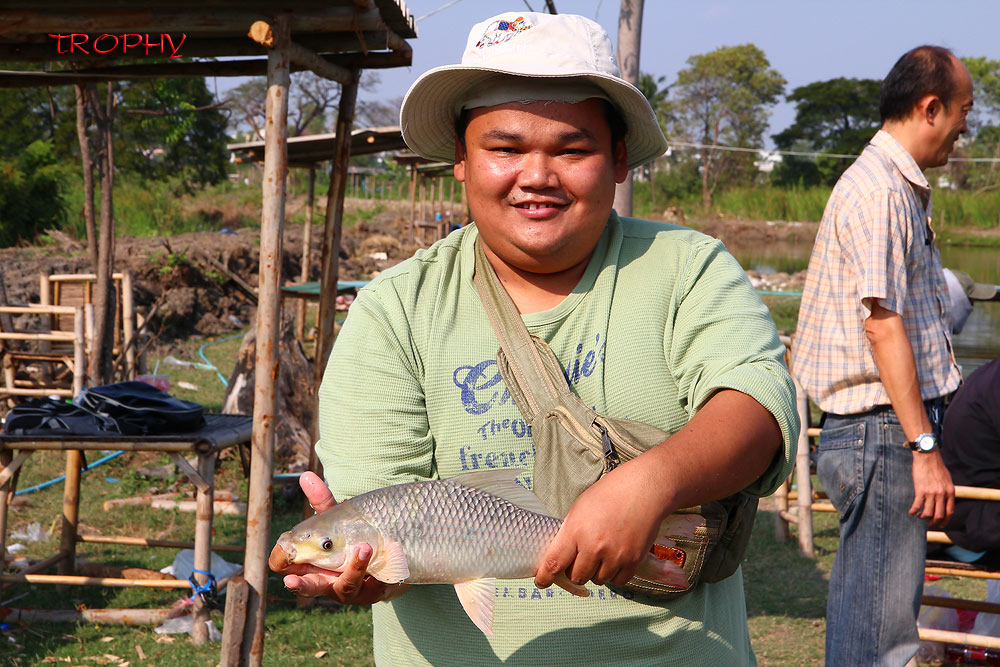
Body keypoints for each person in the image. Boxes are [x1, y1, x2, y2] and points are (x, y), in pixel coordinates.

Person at [271, 12, 798, 665]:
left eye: (572, 149)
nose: (538, 175)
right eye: (506, 148)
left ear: (620, 159)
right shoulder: (393, 310)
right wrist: (359, 574)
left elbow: (759, 409)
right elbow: (382, 528)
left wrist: (651, 480)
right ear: (461, 160)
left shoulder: (688, 269)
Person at [793, 45, 974, 666]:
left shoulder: (891, 185)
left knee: (867, 615)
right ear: (931, 108)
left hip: (879, 430)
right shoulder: (878, 192)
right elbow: (883, 325)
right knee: (883, 639)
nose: (964, 130)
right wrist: (923, 446)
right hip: (883, 432)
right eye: (963, 112)